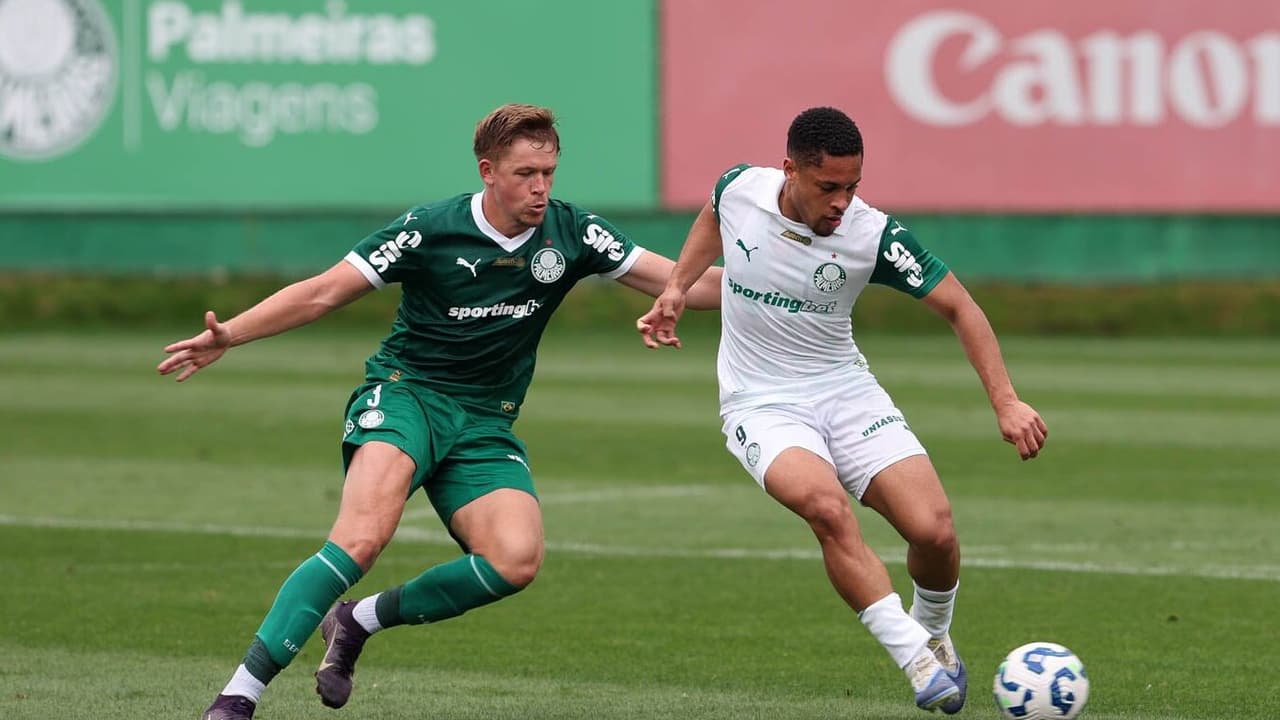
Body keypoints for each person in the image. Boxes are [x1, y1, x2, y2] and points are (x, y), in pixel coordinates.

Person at [159, 103, 723, 720]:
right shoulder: (430, 229)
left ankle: (357, 621)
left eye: (549, 173)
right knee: (361, 538)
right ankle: (239, 695)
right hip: (406, 396)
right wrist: (229, 335)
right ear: (488, 171)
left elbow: (688, 282)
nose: (540, 187)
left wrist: (792, 288)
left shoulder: (574, 233)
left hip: (484, 421)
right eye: (525, 173)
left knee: (515, 560)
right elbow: (322, 292)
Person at [636, 106, 1047, 714]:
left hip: (845, 391)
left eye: (853, 186)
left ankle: (934, 633)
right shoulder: (739, 188)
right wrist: (677, 286)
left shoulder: (872, 234)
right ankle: (914, 659)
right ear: (790, 171)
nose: (842, 201)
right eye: (828, 186)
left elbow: (962, 307)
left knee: (934, 532)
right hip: (761, 402)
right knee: (825, 507)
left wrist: (1005, 400)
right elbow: (712, 218)